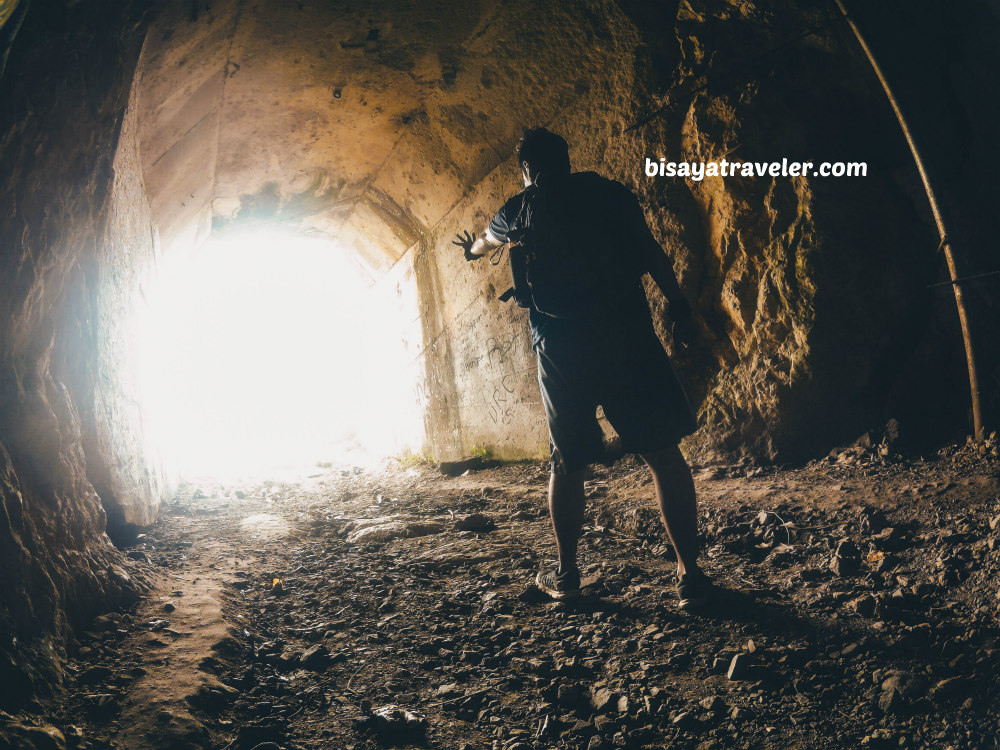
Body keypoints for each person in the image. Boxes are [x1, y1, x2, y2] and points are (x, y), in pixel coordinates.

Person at [452, 127, 711, 609]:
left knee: (566, 462)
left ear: (526, 169)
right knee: (662, 452)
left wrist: (470, 250)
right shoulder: (608, 192)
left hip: (560, 345)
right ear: (567, 159)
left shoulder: (517, 209)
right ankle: (690, 575)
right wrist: (677, 305)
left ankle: (567, 574)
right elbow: (650, 250)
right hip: (626, 335)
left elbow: (485, 242)